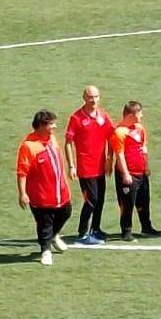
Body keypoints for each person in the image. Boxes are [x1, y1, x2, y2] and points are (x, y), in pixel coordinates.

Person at [17, 110, 72, 265]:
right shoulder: (28, 146)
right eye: (51, 124)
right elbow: (22, 171)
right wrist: (22, 193)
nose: (55, 127)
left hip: (60, 191)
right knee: (44, 224)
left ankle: (54, 236)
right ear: (41, 125)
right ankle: (45, 250)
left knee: (66, 212)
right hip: (41, 195)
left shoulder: (51, 138)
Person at [64, 86, 114, 245]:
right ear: (84, 98)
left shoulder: (103, 117)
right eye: (90, 97)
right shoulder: (76, 118)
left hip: (100, 166)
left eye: (96, 96)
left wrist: (109, 158)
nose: (93, 100)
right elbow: (68, 142)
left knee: (100, 199)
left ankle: (96, 229)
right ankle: (82, 232)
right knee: (91, 199)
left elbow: (111, 137)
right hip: (86, 168)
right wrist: (71, 165)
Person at [112, 101, 158, 241]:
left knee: (144, 201)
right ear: (132, 115)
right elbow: (119, 155)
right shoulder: (119, 132)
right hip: (128, 174)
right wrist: (125, 174)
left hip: (141, 172)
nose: (142, 116)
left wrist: (146, 167)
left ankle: (146, 227)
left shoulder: (140, 128)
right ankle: (126, 231)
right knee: (127, 204)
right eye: (140, 113)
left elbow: (143, 148)